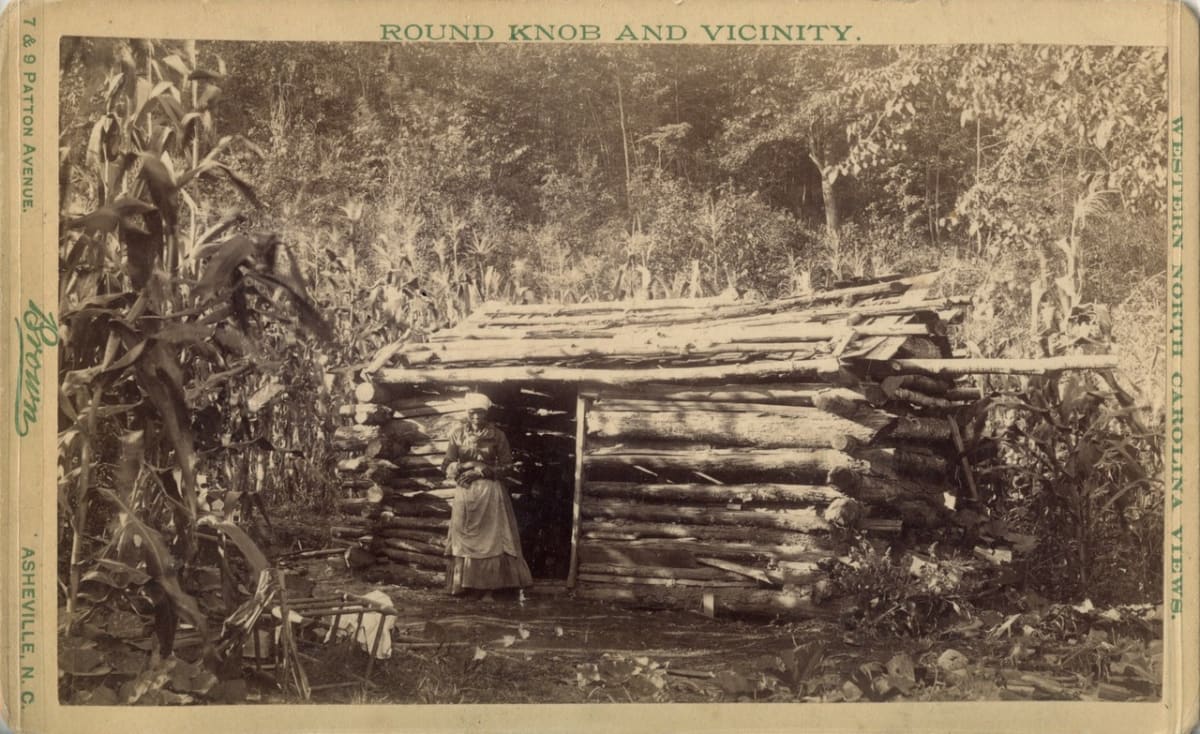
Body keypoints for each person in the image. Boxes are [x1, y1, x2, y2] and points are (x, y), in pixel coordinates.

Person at [442, 392, 533, 601]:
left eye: (480, 413)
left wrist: (483, 471)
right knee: (464, 538)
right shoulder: (457, 435)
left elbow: (508, 467)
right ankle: (466, 587)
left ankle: (490, 590)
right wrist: (465, 466)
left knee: (491, 541)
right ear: (467, 413)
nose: (476, 417)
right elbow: (446, 464)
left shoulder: (497, 435)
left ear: (486, 414)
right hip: (465, 493)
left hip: (489, 493)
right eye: (473, 413)